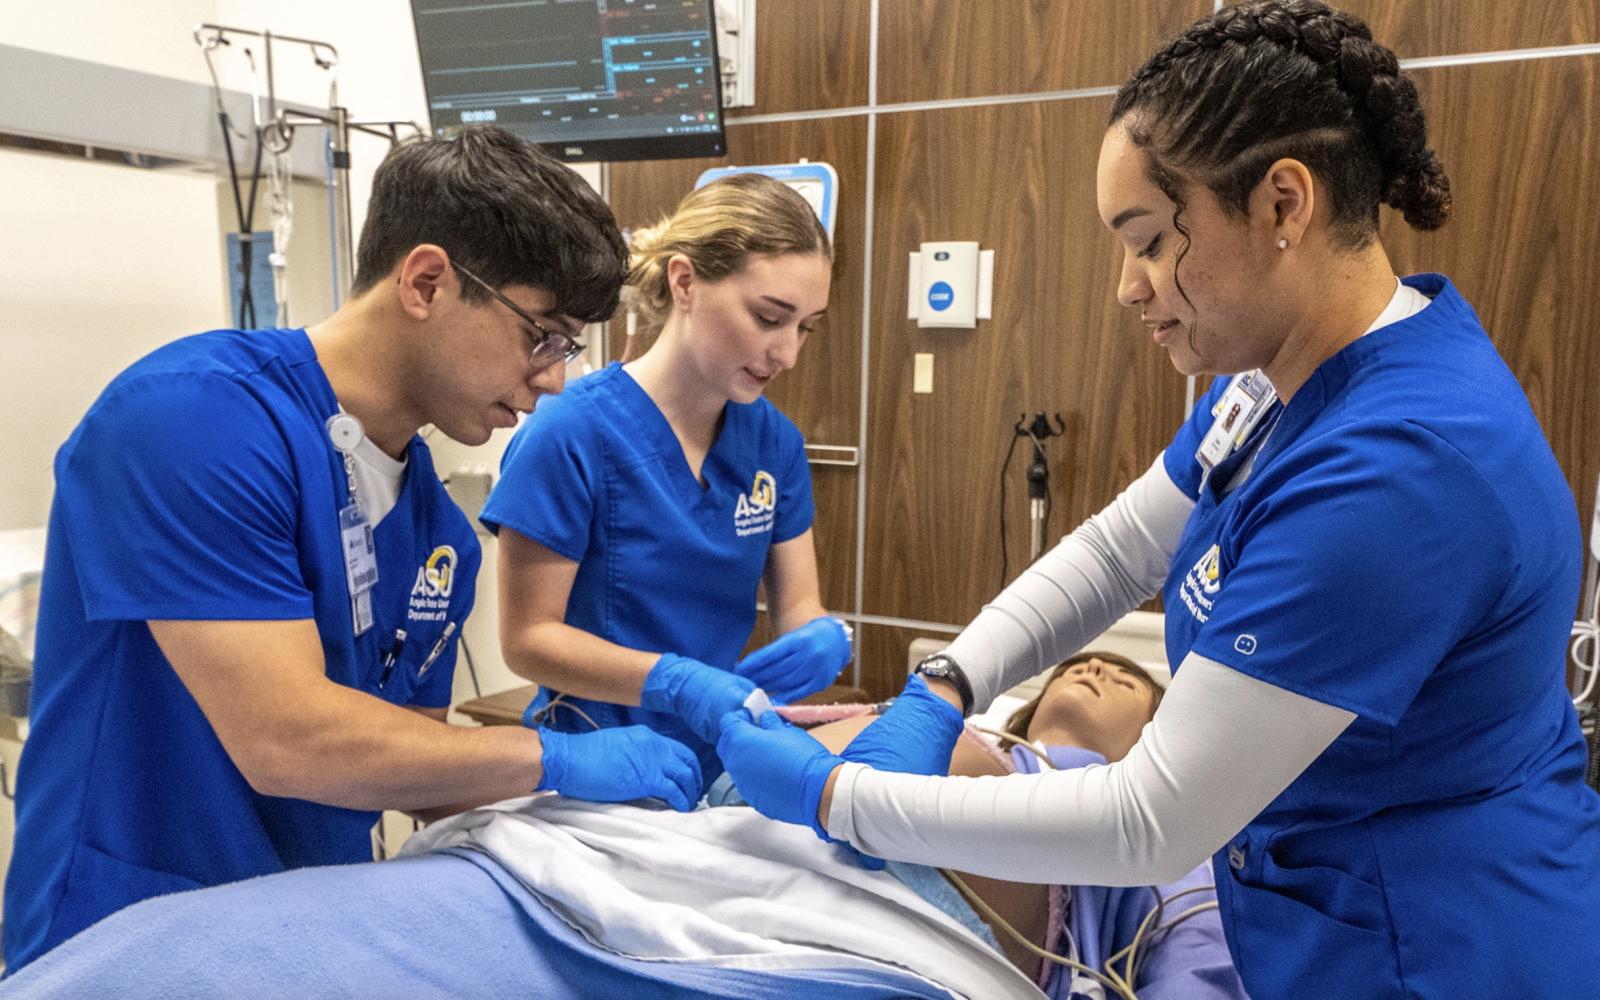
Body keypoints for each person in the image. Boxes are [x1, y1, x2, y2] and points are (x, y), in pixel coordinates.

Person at [714, 3, 1600, 997]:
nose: (1129, 289)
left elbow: (1151, 821)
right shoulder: (1276, 382)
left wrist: (837, 798)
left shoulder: (1400, 469)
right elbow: (1117, 549)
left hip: (1432, 952)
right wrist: (950, 682)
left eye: (1145, 241)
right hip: (1311, 916)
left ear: (1281, 205)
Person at [3, 126, 704, 973]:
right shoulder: (192, 420)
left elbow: (410, 764)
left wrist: (614, 812)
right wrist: (555, 754)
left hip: (302, 938)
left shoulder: (440, 540)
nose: (555, 378)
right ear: (426, 281)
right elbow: (291, 740)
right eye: (543, 334)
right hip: (127, 933)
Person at [0, 654, 1243, 1000]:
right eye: (1085, 666)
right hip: (683, 855)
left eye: (1129, 684)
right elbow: (732, 792)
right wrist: (736, 734)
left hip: (889, 907)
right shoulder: (930, 711)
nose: (1102, 678)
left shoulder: (1158, 825)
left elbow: (1192, 932)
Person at [484, 172, 848, 786]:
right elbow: (527, 640)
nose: (787, 353)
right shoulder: (571, 433)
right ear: (684, 282)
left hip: (726, 763)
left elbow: (798, 605)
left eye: (806, 326)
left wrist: (824, 636)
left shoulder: (774, 444)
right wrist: (672, 682)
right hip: (599, 765)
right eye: (768, 317)